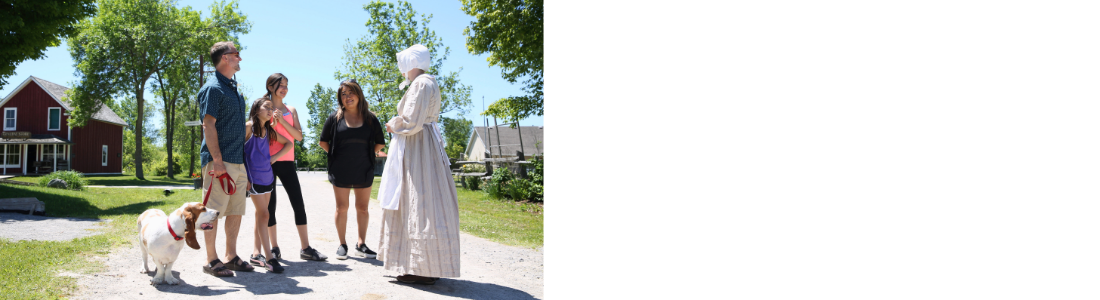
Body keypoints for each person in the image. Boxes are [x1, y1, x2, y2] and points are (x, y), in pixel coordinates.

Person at [377, 44, 461, 285]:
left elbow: (412, 121)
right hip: (422, 146)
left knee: (419, 202)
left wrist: (394, 125)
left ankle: (421, 267)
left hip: (418, 148)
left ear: (411, 63)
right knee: (421, 202)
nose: (401, 68)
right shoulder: (426, 82)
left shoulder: (422, 83)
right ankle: (423, 264)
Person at [255, 73, 327, 262]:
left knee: (298, 203)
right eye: (281, 85)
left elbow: (299, 137)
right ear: (271, 87)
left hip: (287, 162)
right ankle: (274, 248)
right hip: (267, 163)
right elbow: (256, 132)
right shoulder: (263, 108)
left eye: (286, 85)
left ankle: (305, 247)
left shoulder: (291, 109)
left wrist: (283, 121)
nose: (284, 89)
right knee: (270, 207)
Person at [197, 41, 253, 277]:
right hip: (218, 162)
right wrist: (218, 161)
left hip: (237, 162)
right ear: (224, 59)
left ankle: (230, 256)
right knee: (212, 212)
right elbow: (208, 124)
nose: (240, 58)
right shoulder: (213, 88)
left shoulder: (233, 89)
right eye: (236, 55)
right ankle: (211, 260)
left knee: (235, 211)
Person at [319, 79, 386, 260]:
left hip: (364, 168)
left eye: (351, 93)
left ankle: (361, 244)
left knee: (362, 208)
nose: (347, 97)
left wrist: (365, 155)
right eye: (343, 94)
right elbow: (323, 141)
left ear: (358, 94)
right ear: (340, 98)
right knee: (342, 208)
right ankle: (342, 245)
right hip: (340, 168)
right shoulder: (334, 118)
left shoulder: (371, 118)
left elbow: (380, 142)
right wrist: (336, 156)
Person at [242, 98, 290, 273]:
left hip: (268, 178)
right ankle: (269, 257)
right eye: (266, 107)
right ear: (256, 109)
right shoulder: (248, 127)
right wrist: (243, 175)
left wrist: (273, 158)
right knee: (264, 214)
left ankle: (256, 254)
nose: (271, 110)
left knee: (261, 215)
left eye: (272, 107)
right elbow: (237, 149)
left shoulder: (269, 130)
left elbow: (289, 143)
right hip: (253, 178)